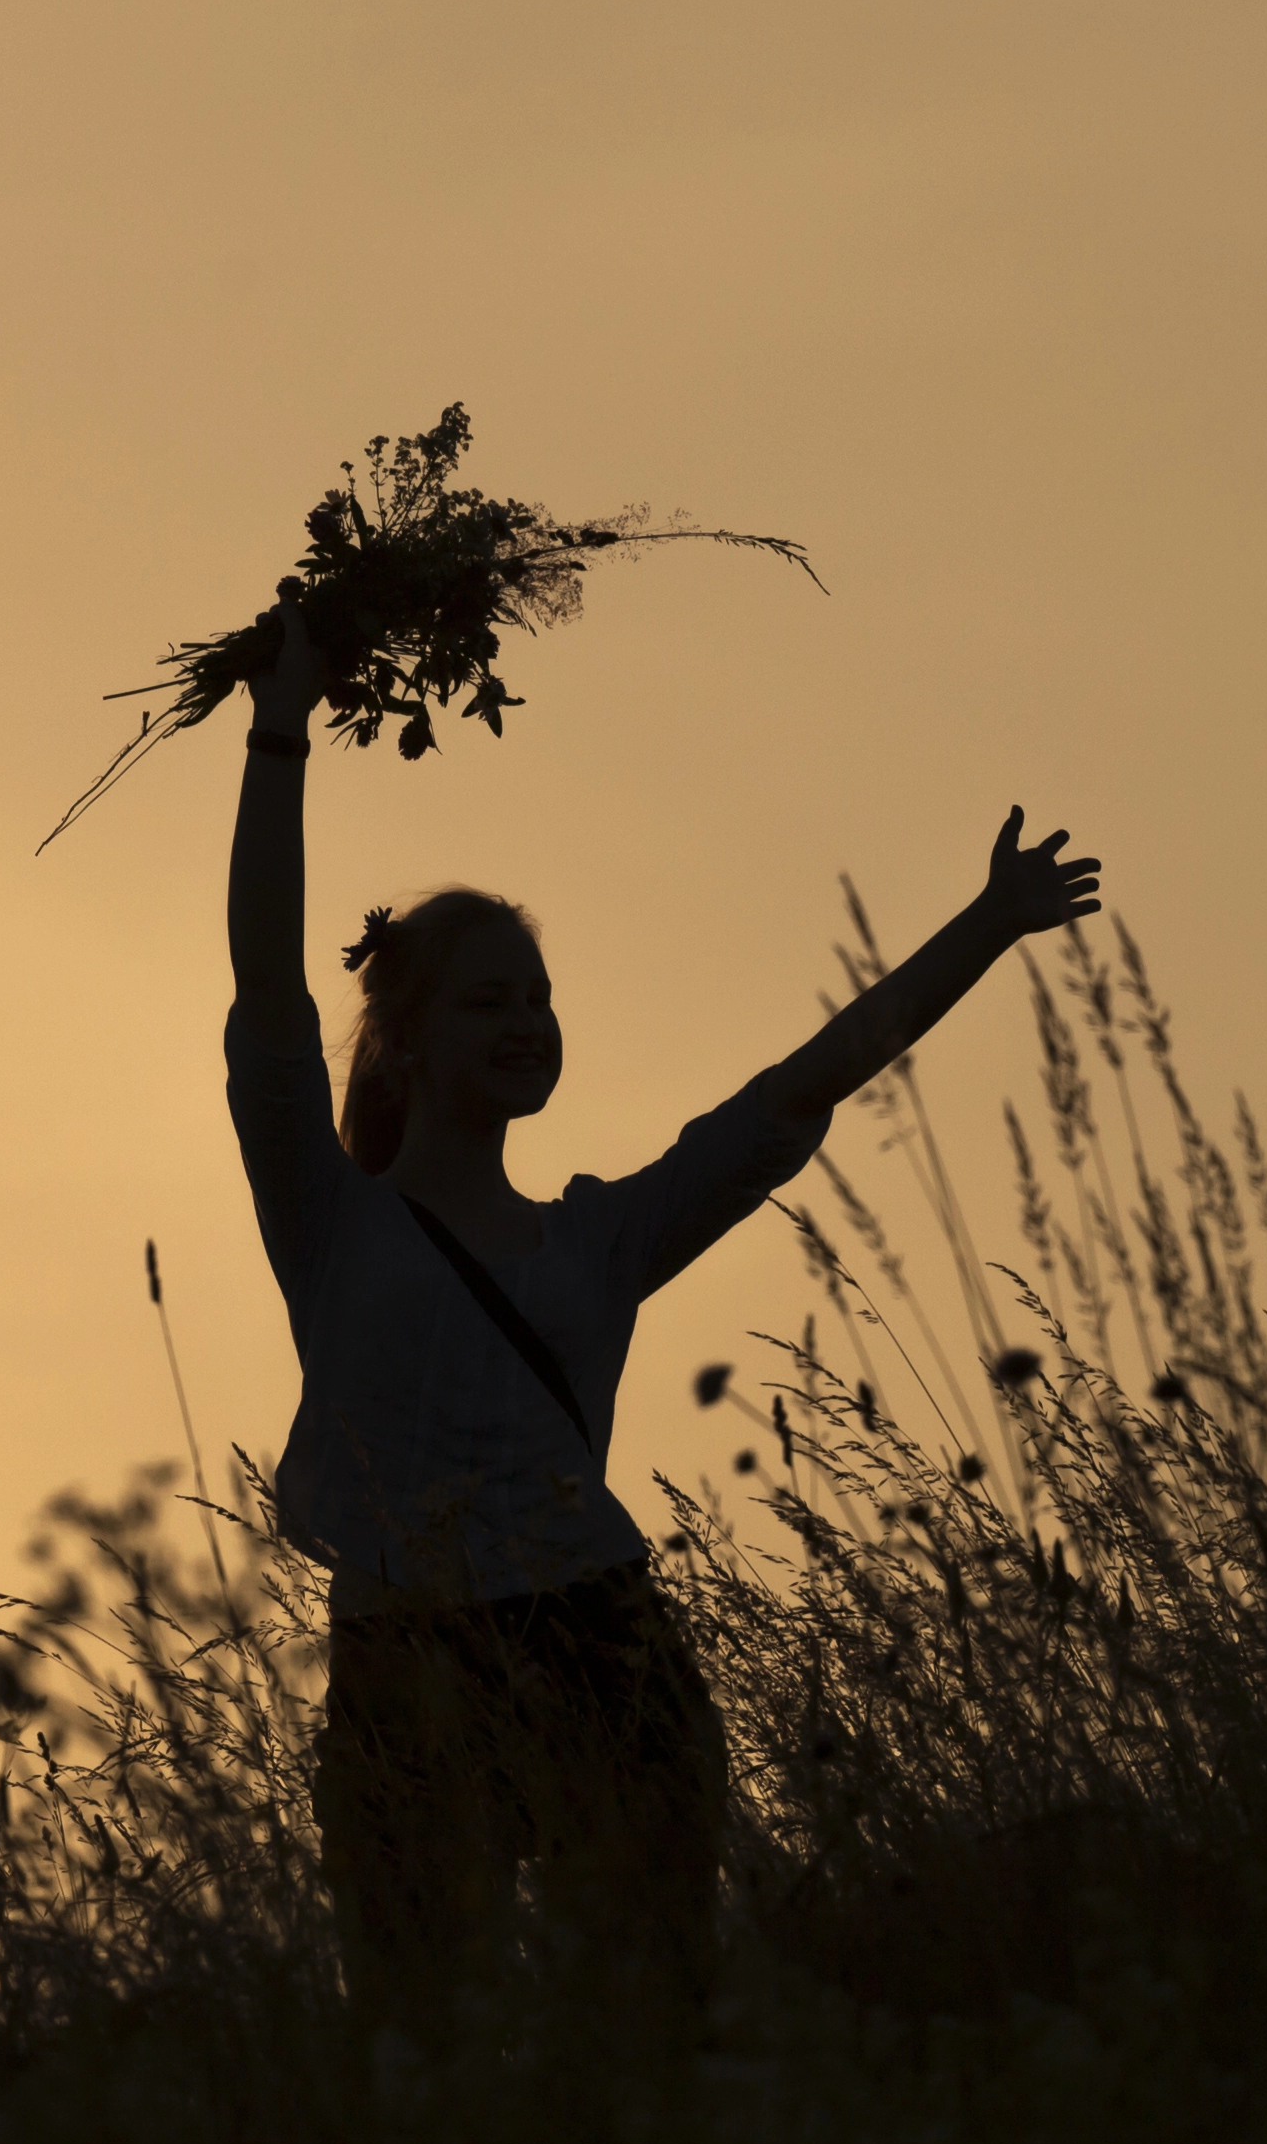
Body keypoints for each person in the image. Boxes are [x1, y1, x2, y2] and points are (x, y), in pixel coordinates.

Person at [223, 608, 1103, 2003]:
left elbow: (802, 1087)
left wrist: (986, 928)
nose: (524, 1023)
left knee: (649, 2018)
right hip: (404, 1662)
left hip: (601, 1645)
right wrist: (279, 730)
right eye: (484, 1003)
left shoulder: (598, 1239)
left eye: (541, 998)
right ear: (401, 1033)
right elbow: (267, 981)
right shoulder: (333, 1220)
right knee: (415, 2028)